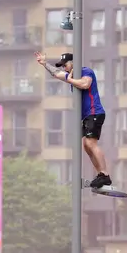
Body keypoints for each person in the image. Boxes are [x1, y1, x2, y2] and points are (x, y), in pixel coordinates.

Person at [35, 51, 112, 189]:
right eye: (63, 66)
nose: (64, 68)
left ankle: (105, 175)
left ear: (73, 63)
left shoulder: (85, 71)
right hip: (87, 116)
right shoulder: (71, 75)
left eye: (65, 65)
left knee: (90, 143)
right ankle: (100, 175)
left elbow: (85, 84)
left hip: (95, 112)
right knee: (86, 145)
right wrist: (45, 64)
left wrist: (69, 80)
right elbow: (57, 74)